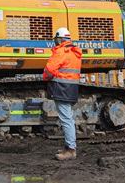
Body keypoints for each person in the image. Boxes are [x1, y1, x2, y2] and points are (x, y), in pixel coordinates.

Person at [43, 27, 82, 161]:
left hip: (61, 89)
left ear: (59, 39)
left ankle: (71, 150)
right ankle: (68, 147)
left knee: (66, 120)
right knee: (69, 118)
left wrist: (45, 77)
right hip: (71, 89)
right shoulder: (74, 52)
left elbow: (49, 71)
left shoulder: (60, 52)